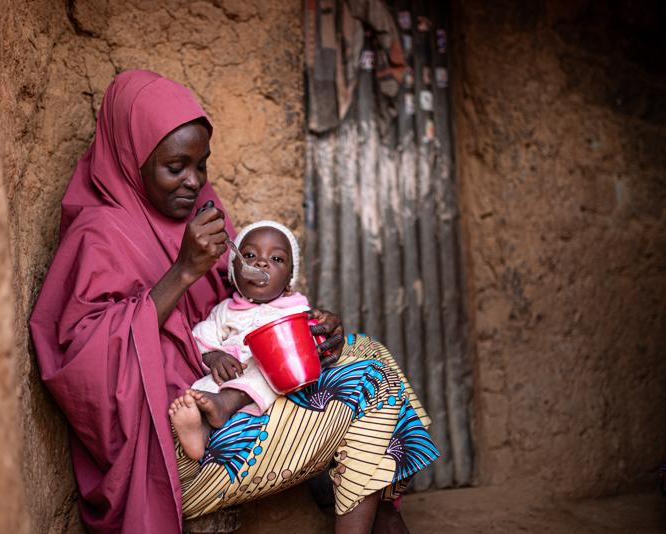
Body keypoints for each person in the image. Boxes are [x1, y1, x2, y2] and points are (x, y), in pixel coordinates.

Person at [29, 70, 438, 534]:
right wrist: (183, 272)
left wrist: (309, 328)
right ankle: (381, 516)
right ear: (130, 158)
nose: (193, 181)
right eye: (175, 166)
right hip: (176, 450)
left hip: (228, 396)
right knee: (373, 381)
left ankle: (379, 511)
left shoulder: (200, 210)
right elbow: (86, 373)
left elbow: (241, 309)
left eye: (201, 165)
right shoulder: (98, 235)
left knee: (363, 350)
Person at [170, 220, 311, 461]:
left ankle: (227, 404)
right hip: (228, 380)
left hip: (269, 382)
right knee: (200, 391)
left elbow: (308, 343)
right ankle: (200, 432)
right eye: (249, 255)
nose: (262, 262)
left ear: (289, 279)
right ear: (235, 272)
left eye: (276, 259)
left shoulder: (295, 309)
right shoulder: (226, 310)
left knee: (269, 371)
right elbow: (202, 336)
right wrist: (214, 356)